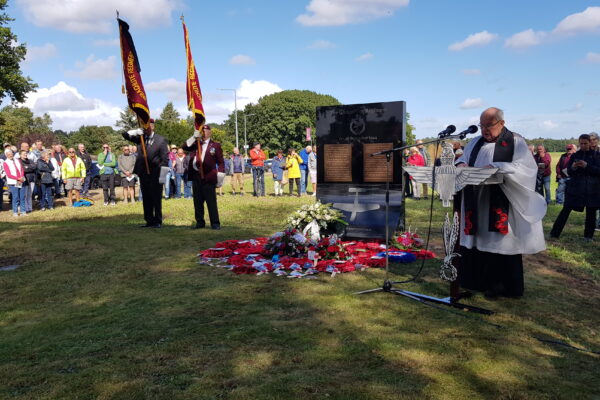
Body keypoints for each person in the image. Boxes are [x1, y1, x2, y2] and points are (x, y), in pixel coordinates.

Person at [455, 107, 546, 298]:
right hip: (477, 200)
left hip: (502, 201)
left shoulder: (515, 142)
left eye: (489, 125)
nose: (484, 130)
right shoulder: (475, 142)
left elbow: (526, 169)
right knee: (477, 240)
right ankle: (475, 282)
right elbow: (462, 158)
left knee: (501, 243)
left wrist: (497, 166)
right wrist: (461, 164)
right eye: (482, 126)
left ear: (501, 123)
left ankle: (502, 286)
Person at [550, 134, 600, 242]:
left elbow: (598, 171)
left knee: (591, 213)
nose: (583, 145)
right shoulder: (575, 155)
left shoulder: (597, 155)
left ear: (590, 143)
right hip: (576, 188)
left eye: (585, 143)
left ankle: (588, 237)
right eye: (581, 143)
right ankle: (554, 233)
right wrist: (573, 167)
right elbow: (569, 171)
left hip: (592, 188)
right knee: (565, 210)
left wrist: (587, 166)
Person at [122, 119, 169, 228]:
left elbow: (165, 159)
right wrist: (135, 132)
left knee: (156, 198)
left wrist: (162, 176)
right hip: (143, 173)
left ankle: (157, 220)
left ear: (153, 126)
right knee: (146, 198)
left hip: (156, 173)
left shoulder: (160, 140)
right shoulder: (140, 138)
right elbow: (125, 135)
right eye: (144, 126)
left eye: (148, 126)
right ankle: (149, 220)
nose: (146, 128)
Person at [182, 125, 225, 230]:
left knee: (211, 201)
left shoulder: (215, 145)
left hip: (208, 176)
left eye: (205, 131)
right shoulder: (196, 143)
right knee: (197, 201)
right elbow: (184, 147)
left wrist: (220, 177)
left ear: (210, 132)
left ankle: (215, 223)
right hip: (196, 176)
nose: (203, 133)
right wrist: (193, 137)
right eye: (202, 131)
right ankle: (200, 222)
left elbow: (220, 162)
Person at [3, 148, 26, 216]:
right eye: (8, 154)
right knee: (15, 197)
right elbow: (9, 174)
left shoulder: (17, 160)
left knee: (22, 196)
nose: (10, 155)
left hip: (21, 180)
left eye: (11, 153)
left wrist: (21, 176)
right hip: (13, 182)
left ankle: (23, 211)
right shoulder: (5, 162)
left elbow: (21, 169)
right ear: (6, 155)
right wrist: (17, 178)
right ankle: (15, 212)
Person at [19, 149, 36, 213]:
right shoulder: (19, 161)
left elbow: (34, 167)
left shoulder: (30, 160)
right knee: (24, 195)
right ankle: (25, 208)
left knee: (30, 194)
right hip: (24, 180)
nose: (25, 155)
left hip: (31, 179)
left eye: (26, 153)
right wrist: (28, 168)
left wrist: (27, 167)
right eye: (24, 154)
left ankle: (30, 208)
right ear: (20, 155)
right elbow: (23, 170)